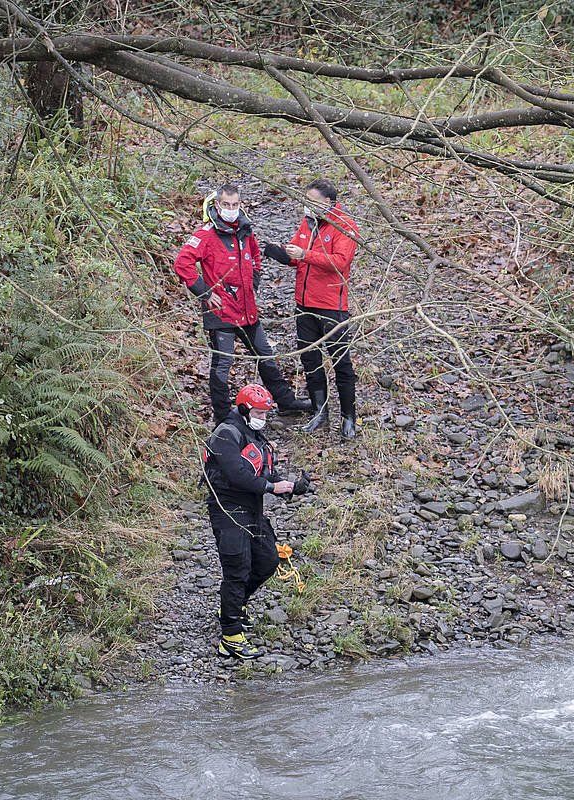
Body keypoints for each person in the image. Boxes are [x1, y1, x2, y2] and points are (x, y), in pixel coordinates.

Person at [173, 183, 311, 425]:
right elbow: (182, 264)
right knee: (222, 366)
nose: (231, 209)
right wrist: (205, 293)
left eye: (235, 204)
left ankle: (286, 402)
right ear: (217, 205)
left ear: (240, 204)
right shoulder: (205, 234)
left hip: (247, 310)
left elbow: (255, 256)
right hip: (221, 313)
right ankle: (223, 417)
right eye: (226, 205)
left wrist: (253, 282)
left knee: (265, 356)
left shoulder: (245, 230)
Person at [203, 384, 311, 659]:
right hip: (228, 510)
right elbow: (238, 475)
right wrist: (271, 488)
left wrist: (290, 486)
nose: (264, 417)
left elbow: (264, 474)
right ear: (244, 409)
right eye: (260, 412)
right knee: (237, 569)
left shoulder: (255, 435)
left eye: (266, 413)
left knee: (267, 561)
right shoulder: (225, 434)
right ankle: (230, 637)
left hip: (252, 510)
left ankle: (233, 605)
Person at [263, 179, 359, 440]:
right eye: (305, 200)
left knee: (341, 363)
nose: (307, 205)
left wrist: (304, 254)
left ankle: (349, 417)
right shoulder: (308, 222)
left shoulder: (345, 225)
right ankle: (320, 411)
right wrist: (278, 253)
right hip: (304, 304)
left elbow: (340, 262)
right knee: (311, 360)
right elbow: (296, 256)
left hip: (332, 307)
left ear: (328, 202)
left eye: (312, 201)